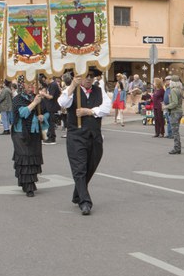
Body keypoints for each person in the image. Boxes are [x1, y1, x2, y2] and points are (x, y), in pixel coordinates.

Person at [58, 67, 111, 215]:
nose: (88, 78)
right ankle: (85, 202)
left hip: (95, 135)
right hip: (76, 136)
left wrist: (89, 111)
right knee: (79, 168)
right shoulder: (71, 89)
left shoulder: (99, 90)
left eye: (92, 76)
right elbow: (62, 103)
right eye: (86, 76)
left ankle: (77, 194)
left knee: (90, 166)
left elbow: (107, 108)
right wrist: (73, 86)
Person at [11, 77, 48, 197]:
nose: (30, 86)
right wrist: (35, 103)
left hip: (35, 132)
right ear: (22, 84)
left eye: (32, 83)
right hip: (21, 132)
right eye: (28, 83)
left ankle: (26, 182)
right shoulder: (17, 99)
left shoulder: (36, 97)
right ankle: (29, 187)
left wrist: (43, 116)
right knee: (24, 158)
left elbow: (46, 111)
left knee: (33, 159)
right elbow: (22, 113)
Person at [165, 76, 184, 155]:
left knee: (175, 132)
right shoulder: (180, 90)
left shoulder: (173, 90)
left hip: (175, 112)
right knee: (176, 131)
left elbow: (174, 103)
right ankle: (178, 148)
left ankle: (177, 148)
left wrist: (166, 107)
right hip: (179, 111)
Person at [40, 73, 61, 143]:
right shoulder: (50, 85)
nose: (44, 82)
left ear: (48, 78)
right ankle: (50, 136)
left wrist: (43, 94)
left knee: (51, 122)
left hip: (52, 106)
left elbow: (51, 96)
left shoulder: (53, 85)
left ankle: (52, 137)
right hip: (50, 106)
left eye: (45, 80)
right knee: (50, 122)